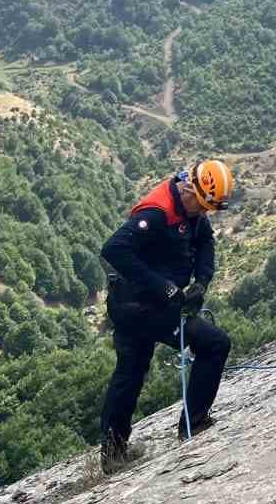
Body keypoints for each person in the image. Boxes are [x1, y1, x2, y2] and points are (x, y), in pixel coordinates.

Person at [97, 159, 234, 471]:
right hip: (138, 307)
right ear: (189, 188)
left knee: (130, 373)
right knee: (213, 344)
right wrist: (165, 288)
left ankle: (113, 453)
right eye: (202, 205)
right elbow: (114, 250)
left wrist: (201, 281)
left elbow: (204, 244)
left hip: (148, 304)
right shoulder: (157, 212)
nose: (204, 212)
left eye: (208, 208)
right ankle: (192, 425)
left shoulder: (192, 208)